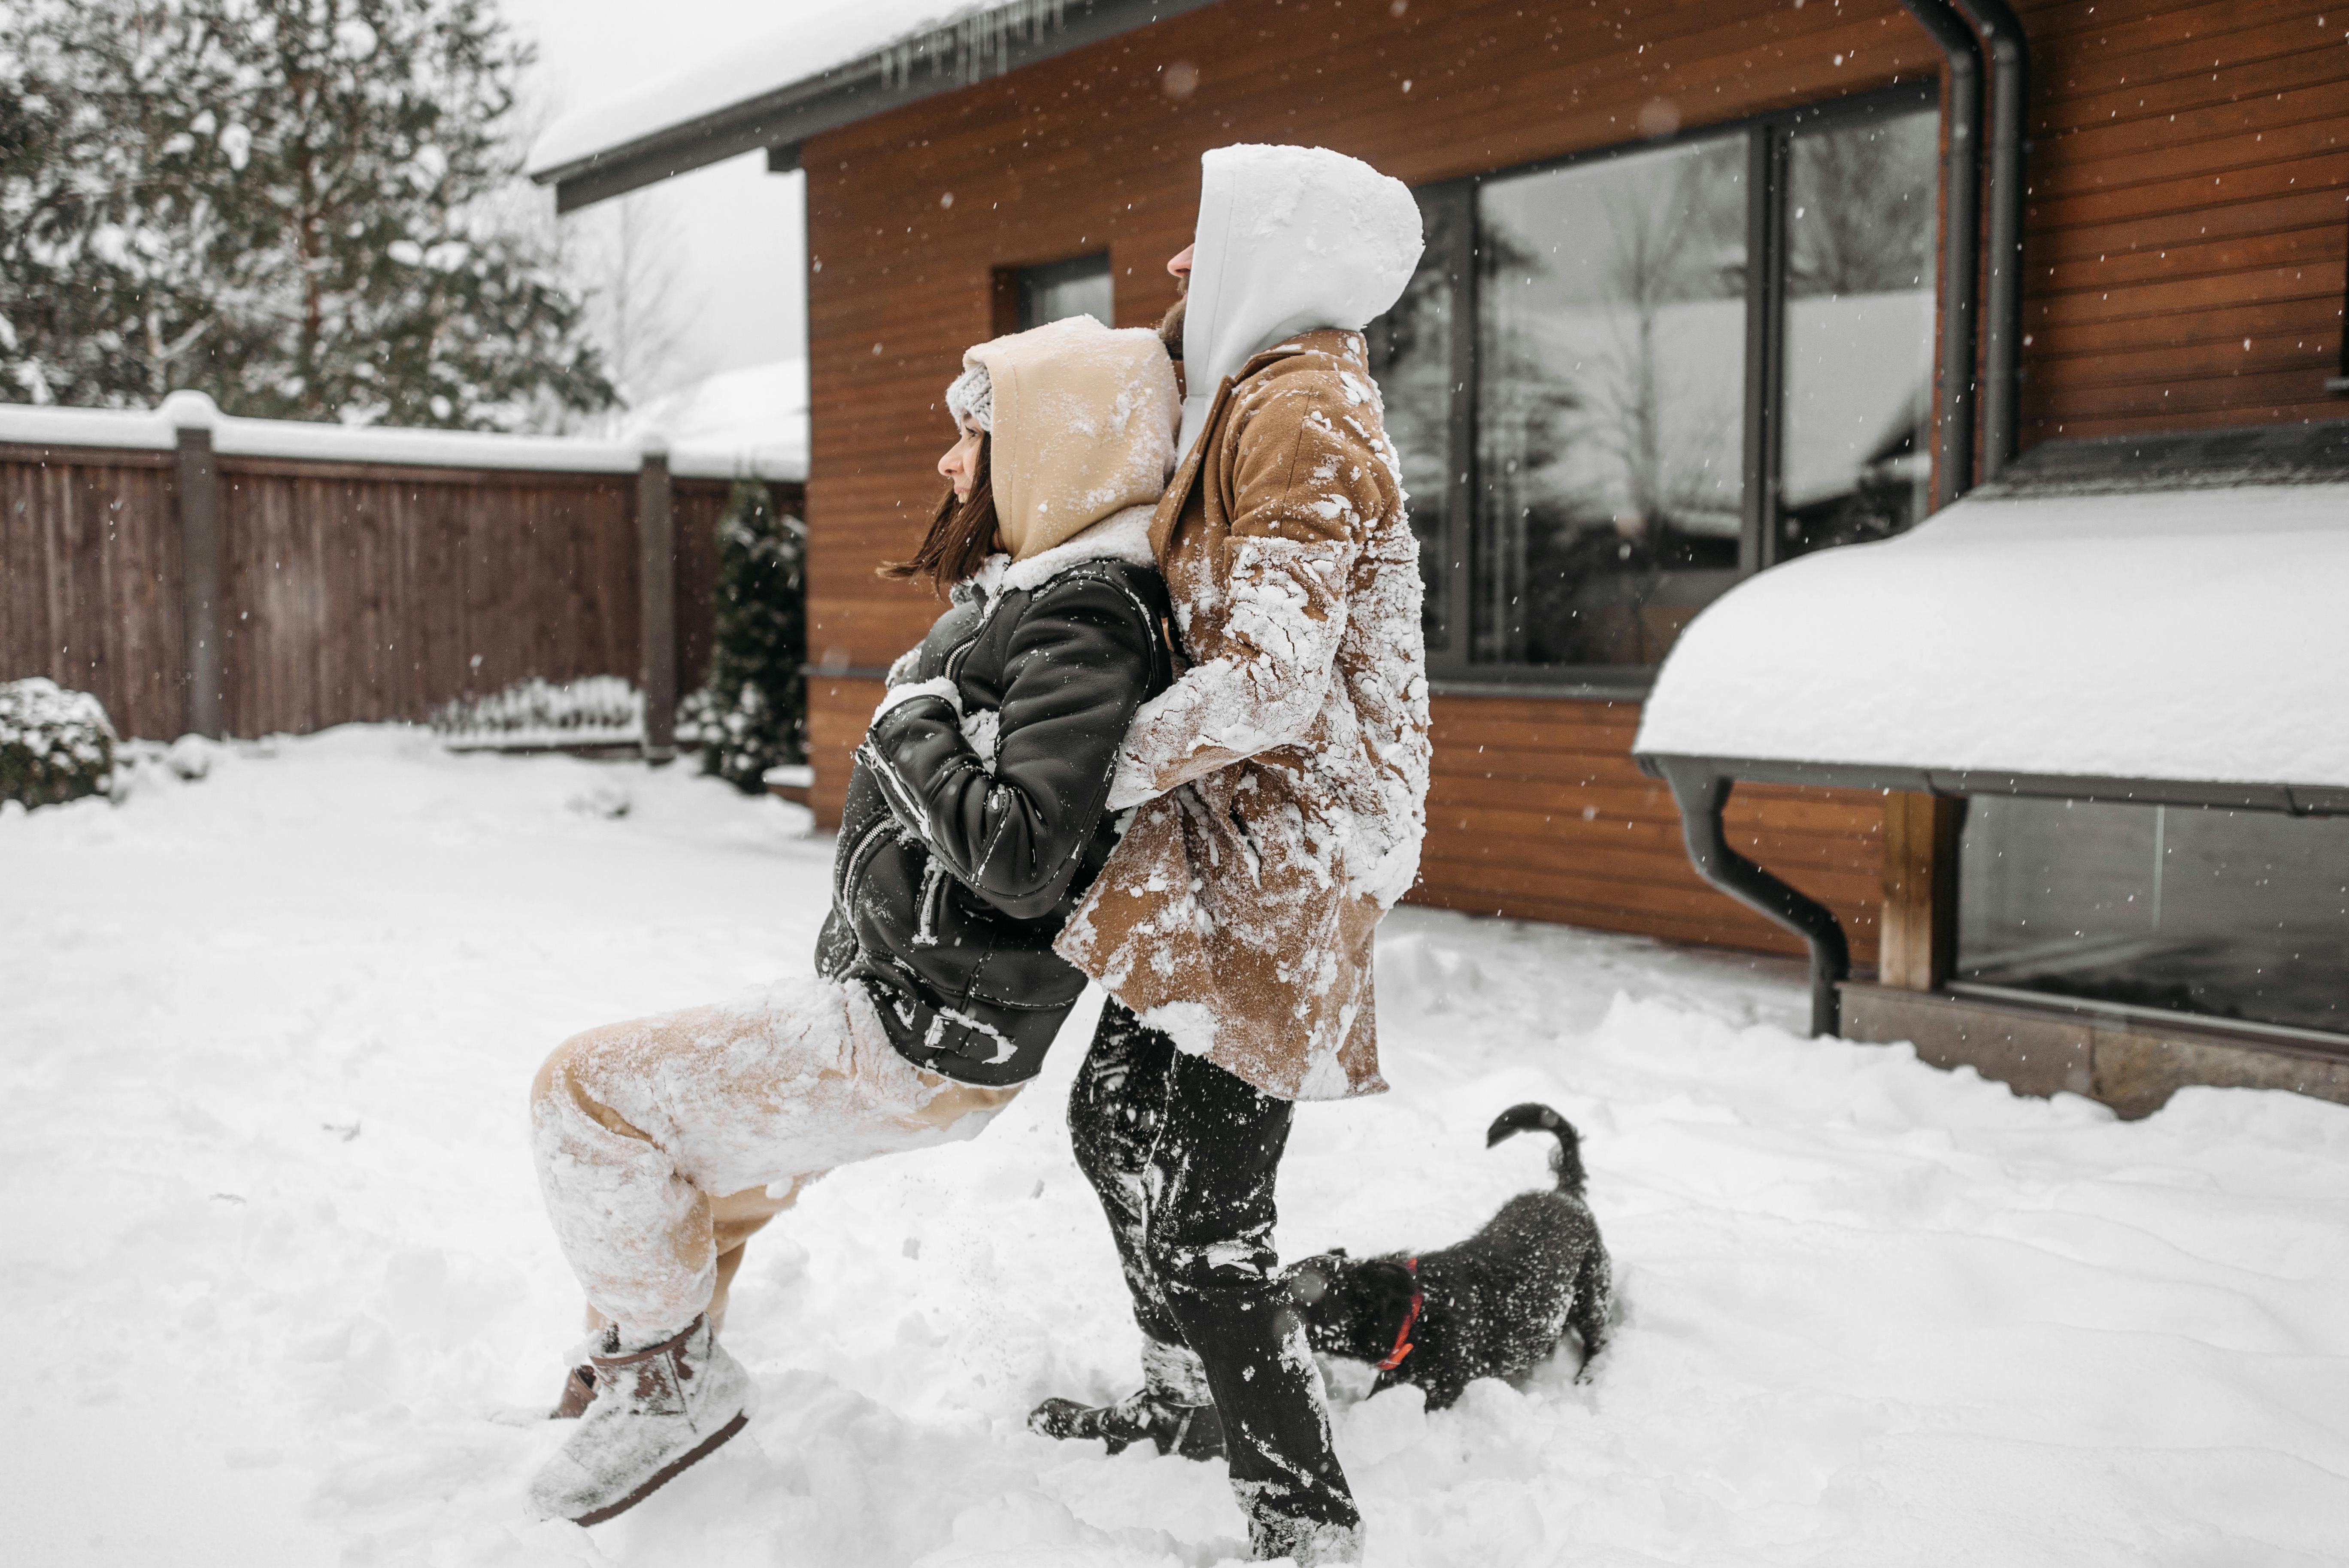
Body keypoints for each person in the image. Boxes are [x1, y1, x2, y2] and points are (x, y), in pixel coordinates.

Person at [523, 314, 1179, 1526]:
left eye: (972, 438)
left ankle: (667, 1386)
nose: (947, 463)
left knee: (585, 1096)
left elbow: (1026, 851)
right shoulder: (1046, 596)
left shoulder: (1087, 612)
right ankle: (637, 1365)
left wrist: (911, 722)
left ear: (1051, 452)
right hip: (909, 1009)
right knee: (701, 1177)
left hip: (925, 1026)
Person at [1031, 144, 1432, 1565]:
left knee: (1211, 1219)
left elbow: (1269, 679)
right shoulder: (1252, 399)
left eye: (1206, 243)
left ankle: (1304, 1524)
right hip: (1225, 842)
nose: (1181, 270)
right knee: (1106, 1126)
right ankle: (1182, 1398)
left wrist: (1074, 780)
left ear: (1287, 254)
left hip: (1284, 862)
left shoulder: (1306, 410)